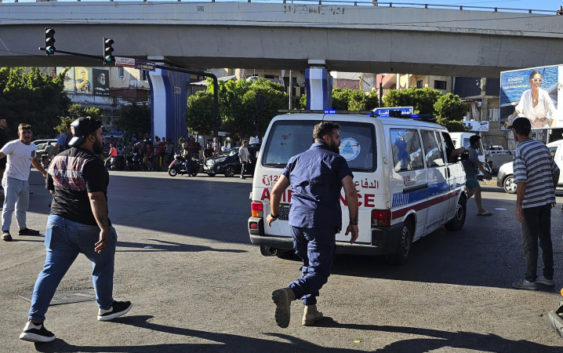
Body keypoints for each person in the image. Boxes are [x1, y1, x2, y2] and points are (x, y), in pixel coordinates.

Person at [19, 117, 132, 343]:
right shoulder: (92, 163)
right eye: (100, 134)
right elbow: (95, 197)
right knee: (102, 263)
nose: (102, 138)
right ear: (90, 137)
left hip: (57, 223)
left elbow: (52, 189)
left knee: (50, 272)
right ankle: (106, 307)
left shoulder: (57, 159)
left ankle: (34, 323)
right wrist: (104, 228)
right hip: (86, 227)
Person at [267, 121, 359, 328]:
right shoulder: (336, 160)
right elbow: (351, 192)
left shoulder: (295, 159)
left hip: (297, 221)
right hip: (321, 222)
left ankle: (310, 311)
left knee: (308, 265)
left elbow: (275, 191)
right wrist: (353, 222)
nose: (340, 141)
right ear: (326, 138)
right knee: (319, 271)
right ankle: (289, 293)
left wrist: (273, 214)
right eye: (337, 137)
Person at [510, 117, 559, 290]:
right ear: (529, 131)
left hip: (530, 205)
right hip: (545, 202)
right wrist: (550, 192)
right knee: (545, 240)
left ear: (515, 133)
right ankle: (548, 277)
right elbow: (556, 171)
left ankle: (530, 280)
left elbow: (521, 181)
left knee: (530, 242)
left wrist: (518, 206)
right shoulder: (542, 147)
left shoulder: (520, 151)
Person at [0, 123, 47, 241]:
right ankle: (5, 230)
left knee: (22, 206)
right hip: (11, 178)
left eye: (28, 132)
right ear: (19, 133)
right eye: (24, 132)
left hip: (25, 180)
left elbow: (34, 161)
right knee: (9, 205)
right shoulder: (12, 145)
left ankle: (23, 228)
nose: (26, 135)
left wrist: (44, 173)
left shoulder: (32, 146)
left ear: (31, 134)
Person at [461, 135, 492, 216]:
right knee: (477, 190)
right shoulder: (471, 151)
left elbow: (476, 162)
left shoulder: (471, 150)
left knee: (470, 193)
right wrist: (485, 173)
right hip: (470, 175)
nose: (479, 144)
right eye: (478, 142)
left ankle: (458, 204)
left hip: (470, 174)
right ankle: (480, 210)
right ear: (475, 143)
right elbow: (477, 164)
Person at [0, 117, 9, 184]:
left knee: (3, 170)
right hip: (1, 154)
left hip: (4, 155)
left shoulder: (3, 131)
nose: (5, 123)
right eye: (4, 121)